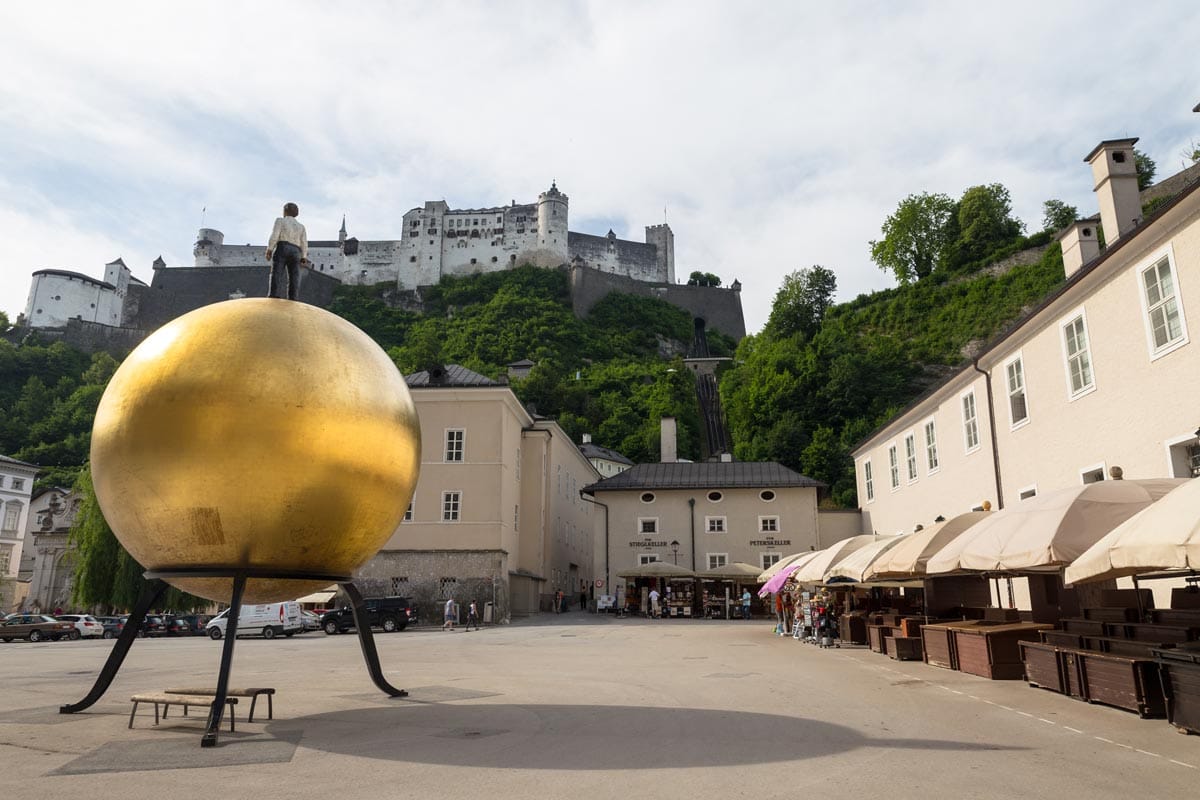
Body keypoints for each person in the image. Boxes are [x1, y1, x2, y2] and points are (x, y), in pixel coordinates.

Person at [265, 202, 308, 300]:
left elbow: (274, 235)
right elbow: (304, 242)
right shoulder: (301, 227)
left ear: (285, 211)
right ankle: (293, 298)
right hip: (296, 251)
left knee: (277, 272)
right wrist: (304, 256)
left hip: (283, 247)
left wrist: (270, 249)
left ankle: (274, 294)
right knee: (294, 276)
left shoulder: (280, 221)